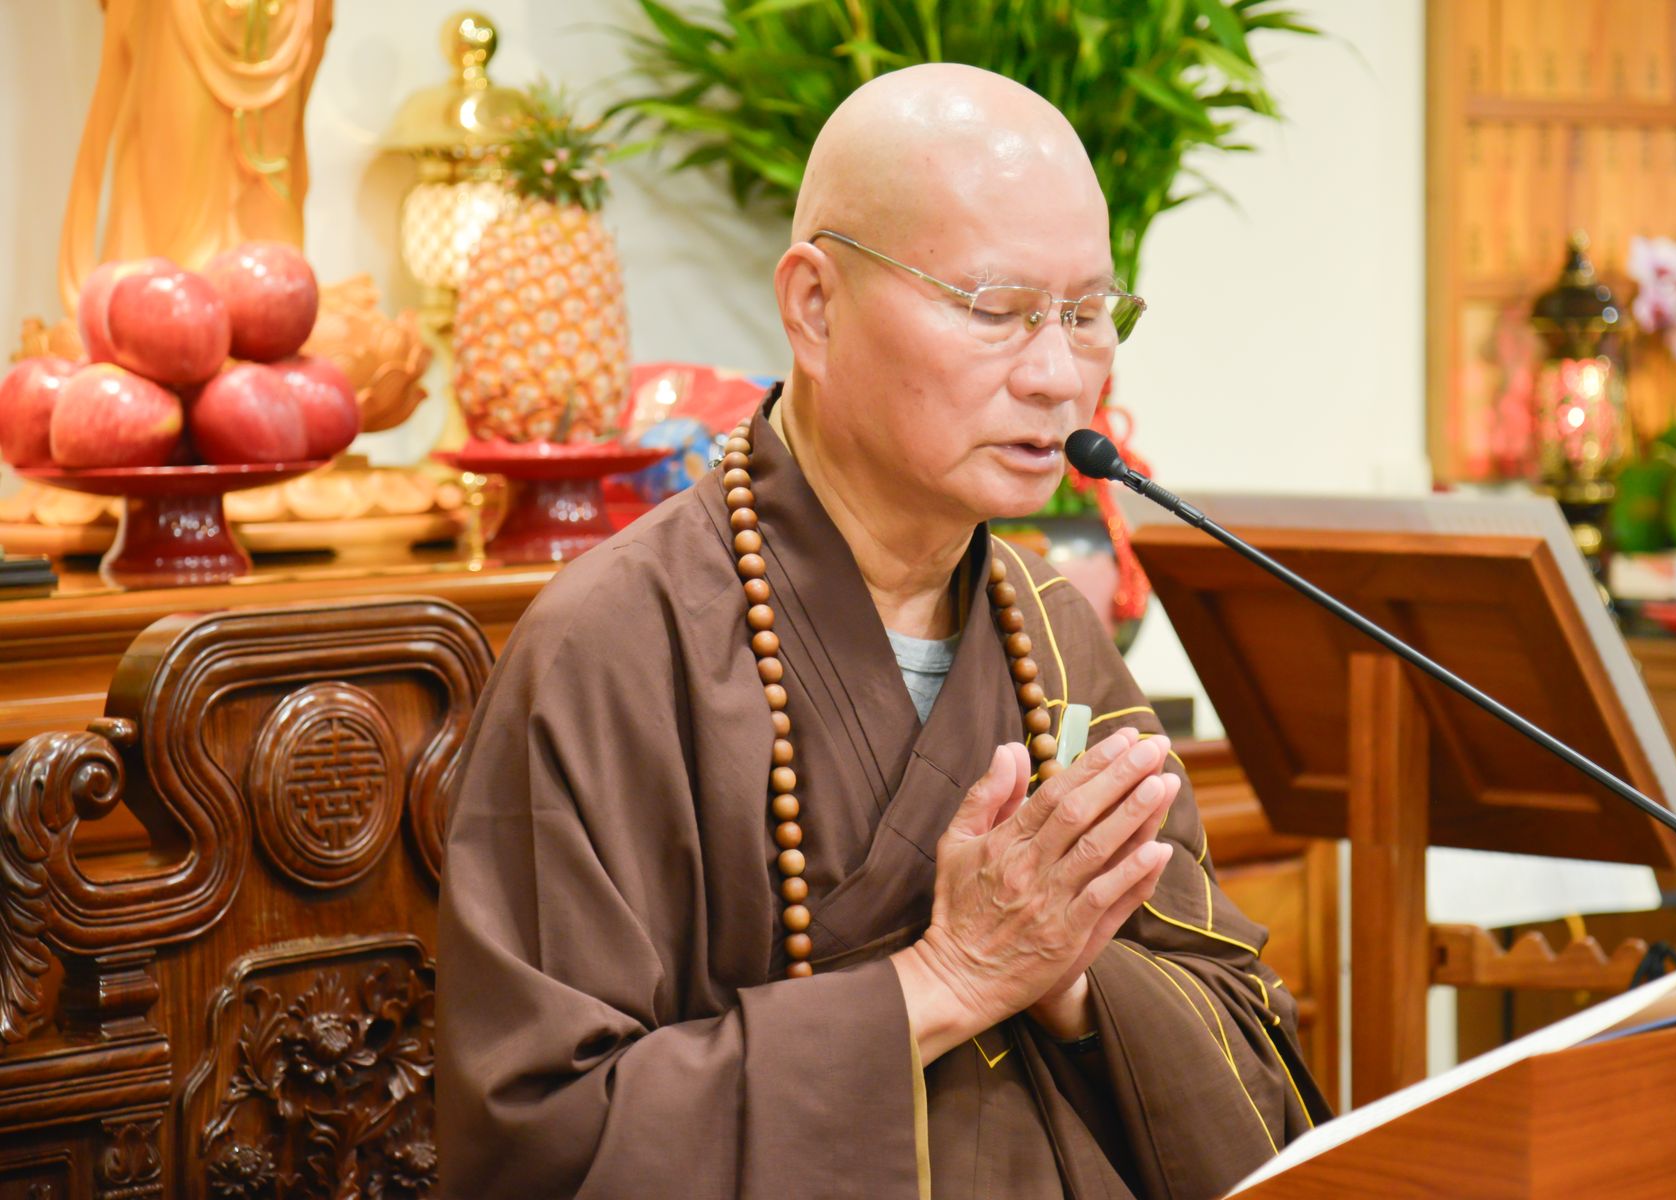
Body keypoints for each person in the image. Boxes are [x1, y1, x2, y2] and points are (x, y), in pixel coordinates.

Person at [438, 62, 1327, 1200]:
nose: (1058, 376)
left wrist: (1071, 980)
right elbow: (539, 1145)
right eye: (996, 310)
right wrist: (948, 979)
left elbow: (1249, 1049)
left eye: (1088, 315)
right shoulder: (614, 648)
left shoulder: (1055, 636)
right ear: (815, 307)